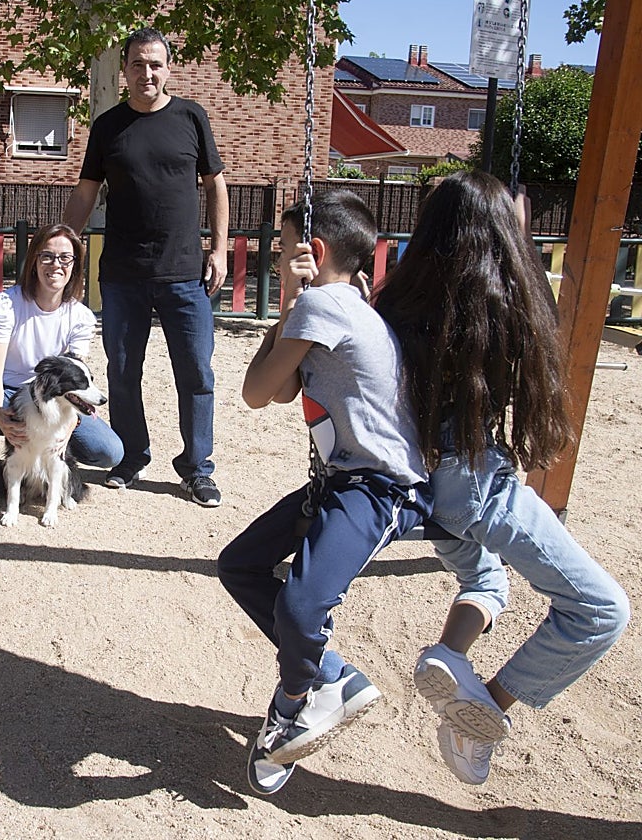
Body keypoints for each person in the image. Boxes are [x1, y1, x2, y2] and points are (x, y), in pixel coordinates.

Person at [373, 170, 629, 786]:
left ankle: (449, 655)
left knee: (487, 580)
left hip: (423, 488)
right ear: (500, 238)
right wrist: (515, 240)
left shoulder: (396, 303)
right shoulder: (500, 307)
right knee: (599, 610)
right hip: (475, 486)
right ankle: (483, 707)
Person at [216, 190, 433, 796]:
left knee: (303, 607)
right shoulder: (343, 302)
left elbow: (256, 392)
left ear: (313, 251)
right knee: (240, 565)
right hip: (341, 479)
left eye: (284, 250)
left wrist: (291, 302)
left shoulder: (323, 303)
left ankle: (295, 699)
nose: (277, 259)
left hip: (380, 486)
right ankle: (332, 674)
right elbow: (283, 392)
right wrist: (294, 306)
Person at [62, 27, 228, 507]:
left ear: (167, 68)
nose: (146, 73)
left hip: (184, 274)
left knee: (196, 372)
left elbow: (216, 186)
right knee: (122, 370)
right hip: (123, 274)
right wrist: (65, 246)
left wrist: (218, 251)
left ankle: (197, 468)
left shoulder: (191, 117)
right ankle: (132, 455)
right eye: (137, 64)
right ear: (125, 72)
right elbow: (86, 191)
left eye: (155, 64)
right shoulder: (108, 126)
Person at [0, 223, 123, 514]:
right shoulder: (8, 304)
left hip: (54, 403)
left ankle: (47, 466)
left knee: (109, 452)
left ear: (75, 265)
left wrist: (69, 426)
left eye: (65, 257)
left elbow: (75, 381)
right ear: (34, 261)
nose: (56, 265)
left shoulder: (80, 316)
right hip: (10, 397)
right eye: (47, 256)